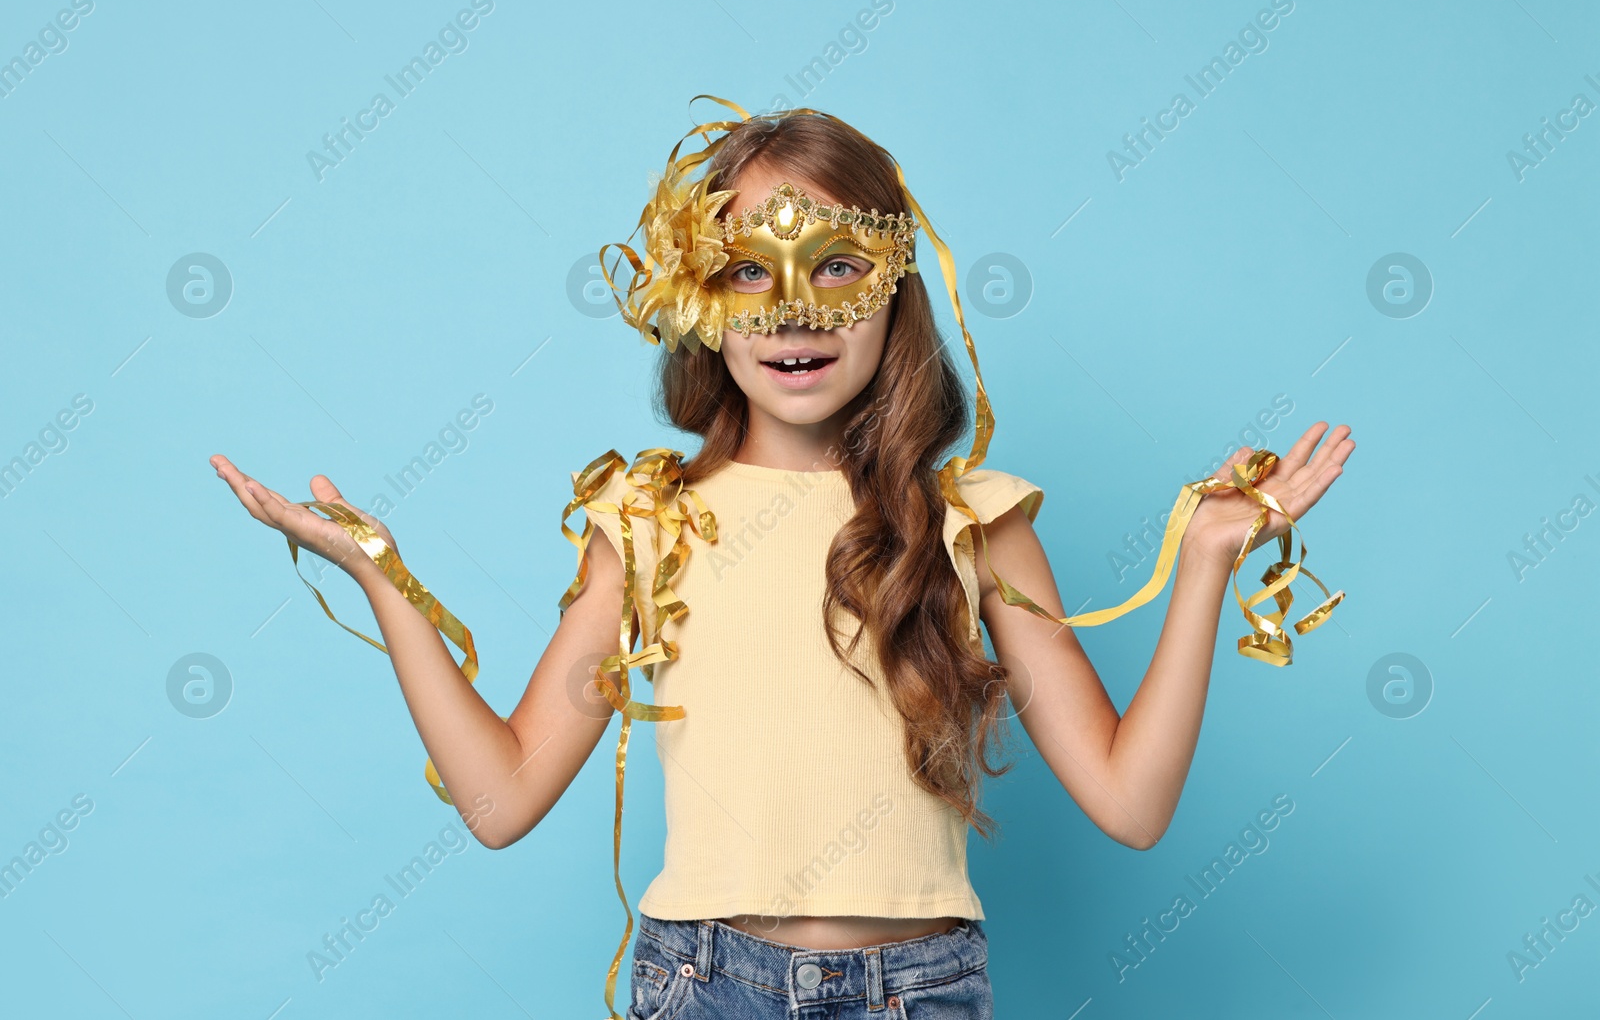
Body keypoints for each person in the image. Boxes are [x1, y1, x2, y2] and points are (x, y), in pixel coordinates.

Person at [210, 97, 1353, 1019]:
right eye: (748, 268)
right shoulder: (648, 520)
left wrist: (1201, 565)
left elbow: (1131, 801)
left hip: (922, 989)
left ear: (895, 281)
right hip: (703, 985)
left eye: (837, 266)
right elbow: (502, 795)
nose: (792, 307)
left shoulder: (973, 520)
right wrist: (384, 579)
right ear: (696, 295)